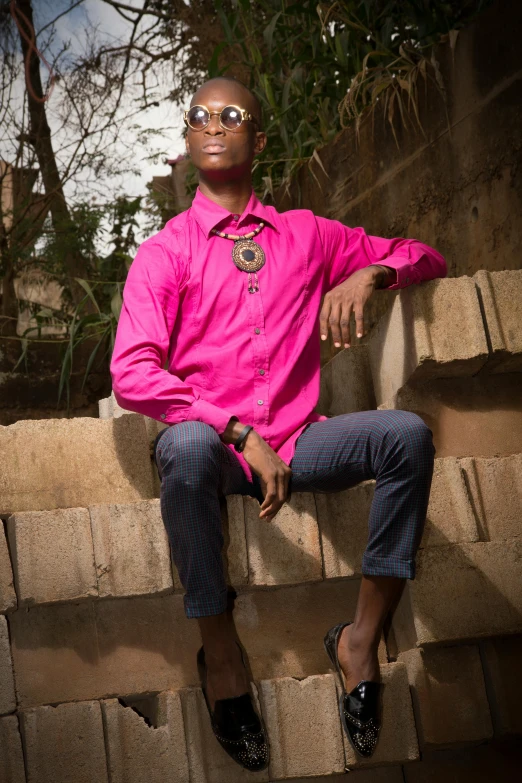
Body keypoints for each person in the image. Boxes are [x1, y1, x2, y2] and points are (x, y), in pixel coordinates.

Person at [110, 76, 446, 771]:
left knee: (407, 435)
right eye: (198, 115)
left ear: (257, 138)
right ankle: (222, 651)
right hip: (213, 450)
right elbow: (132, 373)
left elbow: (425, 254)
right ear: (187, 137)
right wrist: (237, 430)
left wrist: (372, 272)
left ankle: (360, 638)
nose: (211, 123)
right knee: (189, 443)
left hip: (303, 438)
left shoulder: (307, 235)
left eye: (230, 114)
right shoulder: (166, 251)